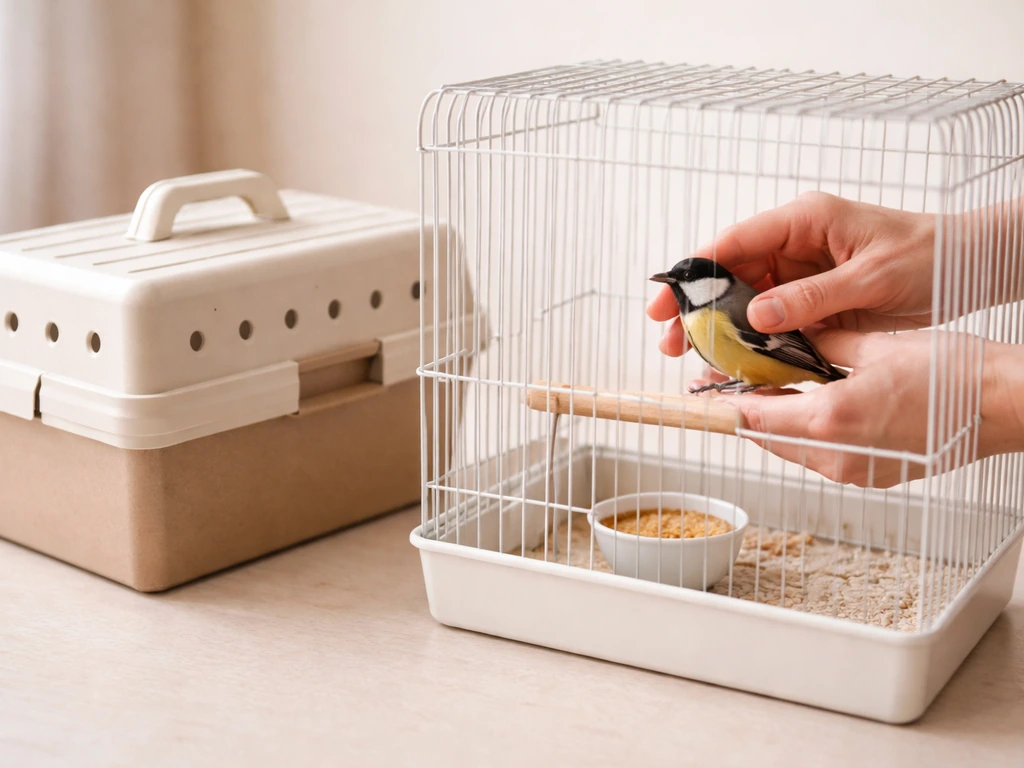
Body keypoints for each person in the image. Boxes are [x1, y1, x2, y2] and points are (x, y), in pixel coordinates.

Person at [646, 191, 1024, 488]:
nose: (677, 286)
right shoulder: (698, 316)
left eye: (686, 280)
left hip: (790, 363)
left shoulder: (723, 314)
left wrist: (820, 371)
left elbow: (779, 345)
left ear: (713, 284)